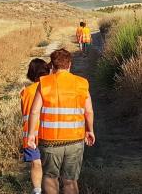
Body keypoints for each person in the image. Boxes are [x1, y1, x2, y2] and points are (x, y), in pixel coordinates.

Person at [26, 49, 95, 194]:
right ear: (69, 64)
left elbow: (34, 111)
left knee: (50, 178)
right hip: (75, 141)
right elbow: (88, 111)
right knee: (70, 181)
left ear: (52, 66)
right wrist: (90, 130)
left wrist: (31, 134)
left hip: (50, 142)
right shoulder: (82, 83)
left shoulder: (44, 83)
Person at [20, 58, 52, 194]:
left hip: (30, 134)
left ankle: (37, 190)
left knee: (36, 162)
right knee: (51, 166)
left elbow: (24, 112)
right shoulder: (50, 89)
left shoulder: (26, 92)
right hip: (48, 132)